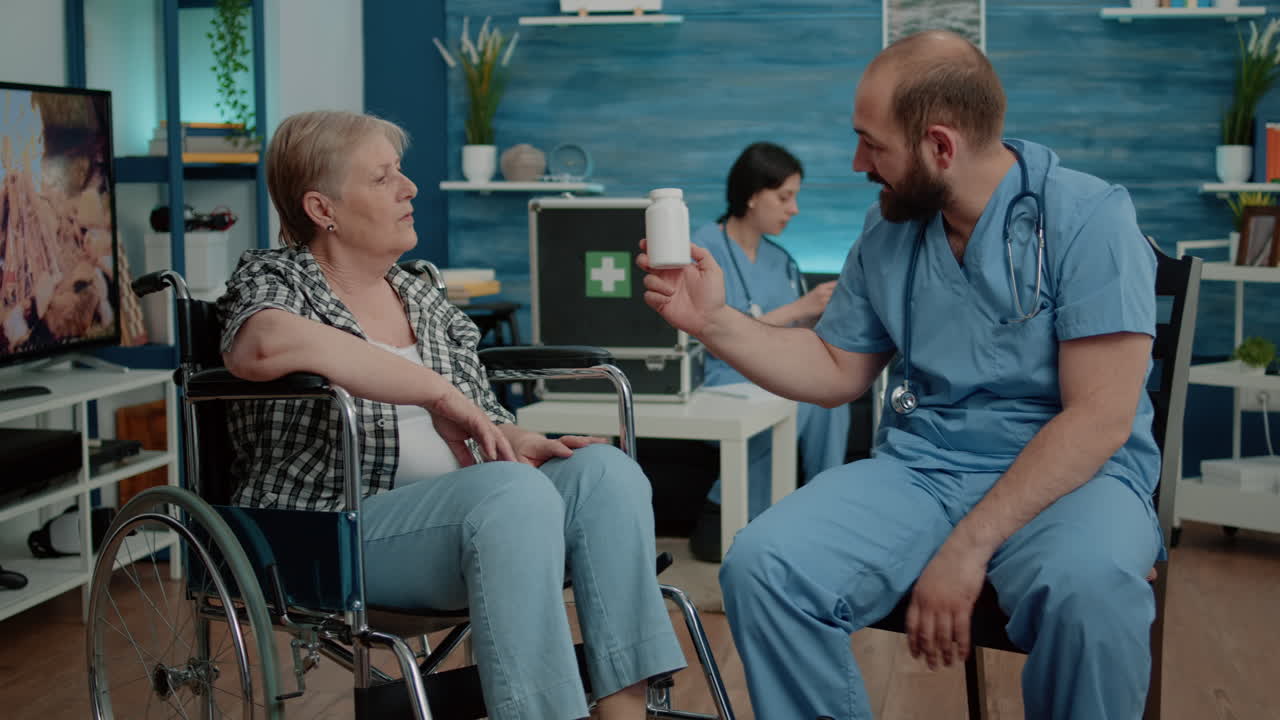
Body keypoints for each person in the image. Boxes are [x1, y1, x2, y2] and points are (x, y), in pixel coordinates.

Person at [640, 30, 1161, 720]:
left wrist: (967, 548)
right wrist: (712, 321)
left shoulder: (1089, 218)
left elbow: (1099, 417)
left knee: (1090, 591)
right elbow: (835, 367)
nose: (859, 163)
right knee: (765, 564)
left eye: (871, 144)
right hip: (924, 470)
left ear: (940, 146)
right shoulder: (889, 230)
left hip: (1074, 480)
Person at [217, 110, 685, 720]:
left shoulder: (420, 294)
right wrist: (433, 392)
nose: (409, 188)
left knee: (607, 474)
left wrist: (513, 437)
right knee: (513, 494)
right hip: (336, 533)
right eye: (383, 177)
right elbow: (260, 345)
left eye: (401, 171)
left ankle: (624, 714)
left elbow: (478, 412)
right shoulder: (278, 278)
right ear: (321, 208)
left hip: (477, 515)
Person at [687, 141, 850, 562]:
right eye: (784, 197)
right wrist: (800, 307)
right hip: (719, 377)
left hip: (773, 371)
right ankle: (730, 511)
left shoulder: (783, 262)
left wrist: (822, 317)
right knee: (802, 399)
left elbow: (795, 336)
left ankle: (827, 509)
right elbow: (710, 336)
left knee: (832, 396)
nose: (794, 209)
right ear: (753, 195)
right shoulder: (703, 250)